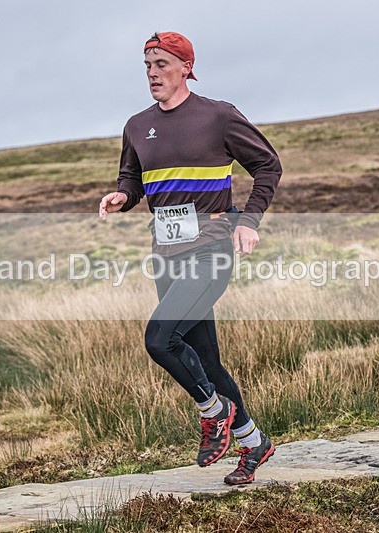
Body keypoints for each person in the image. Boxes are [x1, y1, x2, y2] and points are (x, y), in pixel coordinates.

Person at [99, 31, 282, 485]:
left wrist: (248, 221)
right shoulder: (137, 125)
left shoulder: (217, 116)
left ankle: (213, 411)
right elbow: (132, 177)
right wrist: (122, 195)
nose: (152, 73)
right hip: (166, 252)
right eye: (147, 65)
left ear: (185, 67)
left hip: (211, 249)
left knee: (159, 340)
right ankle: (253, 441)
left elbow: (267, 165)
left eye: (161, 64)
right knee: (205, 359)